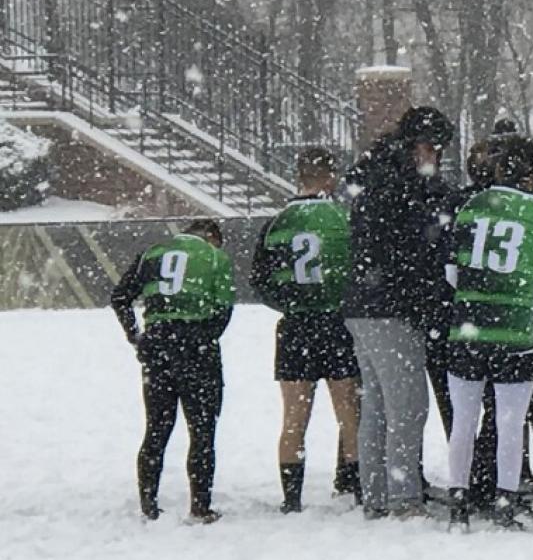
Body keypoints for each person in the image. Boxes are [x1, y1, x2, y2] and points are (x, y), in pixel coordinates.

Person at [441, 138, 533, 530]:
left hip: (468, 327)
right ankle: (505, 498)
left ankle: (458, 499)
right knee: (511, 421)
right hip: (515, 331)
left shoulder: (468, 208)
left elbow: (452, 273)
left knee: (463, 420)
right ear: (530, 176)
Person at [342, 106, 455, 518]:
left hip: (361, 304)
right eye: (434, 148)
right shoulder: (406, 189)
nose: (437, 157)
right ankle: (403, 499)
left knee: (376, 406)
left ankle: (375, 495)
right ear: (418, 146)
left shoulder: (371, 180)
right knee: (407, 407)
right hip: (392, 308)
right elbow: (413, 254)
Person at [249, 148, 361, 513]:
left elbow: (260, 279)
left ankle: (292, 498)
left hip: (296, 326)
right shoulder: (341, 217)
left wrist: (290, 303)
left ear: (299, 176)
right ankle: (357, 488)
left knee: (294, 418)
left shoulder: (280, 221)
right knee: (348, 411)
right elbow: (357, 269)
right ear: (330, 177)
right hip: (336, 324)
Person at [111, 219, 235, 523]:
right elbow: (224, 309)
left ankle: (149, 504)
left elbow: (120, 297)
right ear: (211, 237)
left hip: (158, 344)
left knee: (156, 427)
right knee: (202, 430)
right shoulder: (215, 257)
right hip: (197, 347)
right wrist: (204, 337)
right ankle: (200, 505)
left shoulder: (152, 253)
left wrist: (137, 336)